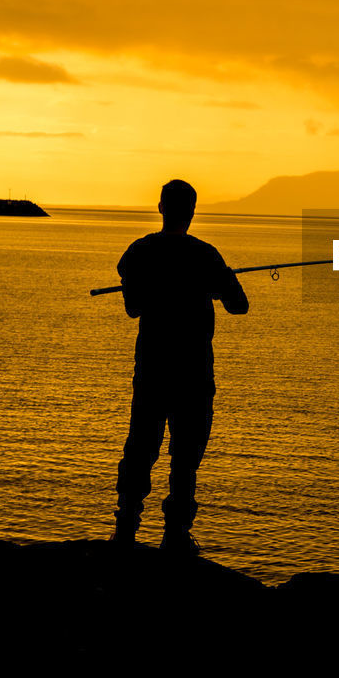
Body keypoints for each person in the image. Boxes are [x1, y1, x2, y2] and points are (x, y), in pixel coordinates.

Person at [111, 179, 249, 554]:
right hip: (193, 372)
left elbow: (133, 307)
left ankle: (126, 529)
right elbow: (239, 306)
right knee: (186, 457)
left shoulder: (139, 252)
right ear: (191, 212)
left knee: (141, 448)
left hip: (152, 369)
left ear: (160, 207)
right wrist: (225, 280)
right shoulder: (207, 256)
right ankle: (176, 536)